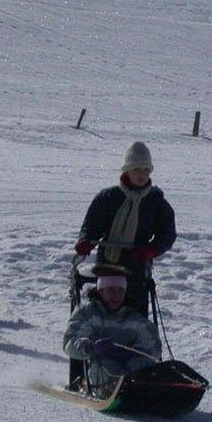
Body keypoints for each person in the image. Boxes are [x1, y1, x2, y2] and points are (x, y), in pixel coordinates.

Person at [74, 141, 176, 317]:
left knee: (134, 308)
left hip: (137, 262)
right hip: (107, 261)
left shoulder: (156, 202)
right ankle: (97, 340)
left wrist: (152, 249)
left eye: (146, 170)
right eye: (137, 169)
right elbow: (93, 224)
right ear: (126, 170)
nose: (142, 174)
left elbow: (167, 234)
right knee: (103, 306)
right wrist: (86, 240)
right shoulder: (107, 197)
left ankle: (135, 340)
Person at [63, 265, 162, 397]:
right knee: (105, 365)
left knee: (139, 364)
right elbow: (70, 342)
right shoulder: (87, 312)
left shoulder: (133, 318)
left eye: (120, 290)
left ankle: (143, 390)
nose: (116, 295)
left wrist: (130, 354)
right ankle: (117, 391)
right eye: (110, 289)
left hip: (130, 369)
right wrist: (90, 347)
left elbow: (153, 344)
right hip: (99, 369)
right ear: (100, 290)